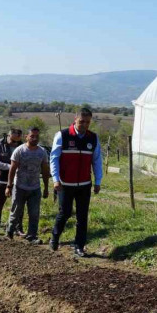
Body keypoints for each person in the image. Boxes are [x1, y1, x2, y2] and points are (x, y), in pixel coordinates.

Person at [49, 107, 103, 257]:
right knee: (65, 212)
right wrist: (55, 179)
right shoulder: (63, 135)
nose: (84, 125)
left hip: (85, 184)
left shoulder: (93, 138)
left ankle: (79, 246)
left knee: (82, 216)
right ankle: (55, 237)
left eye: (87, 122)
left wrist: (98, 180)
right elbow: (54, 159)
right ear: (75, 120)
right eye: (81, 121)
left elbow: (97, 160)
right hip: (66, 183)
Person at [5, 127, 50, 243]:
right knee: (16, 210)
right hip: (19, 187)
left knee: (34, 213)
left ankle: (32, 235)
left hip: (35, 188)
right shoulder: (19, 150)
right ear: (27, 137)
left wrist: (46, 188)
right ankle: (10, 231)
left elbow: (45, 171)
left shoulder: (42, 152)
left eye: (37, 136)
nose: (35, 138)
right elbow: (12, 169)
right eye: (32, 136)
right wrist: (9, 186)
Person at [0, 128, 23, 235]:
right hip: (1, 178)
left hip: (18, 180)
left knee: (18, 205)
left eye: (17, 141)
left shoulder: (22, 145)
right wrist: (11, 167)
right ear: (8, 136)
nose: (15, 143)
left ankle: (18, 227)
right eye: (13, 141)